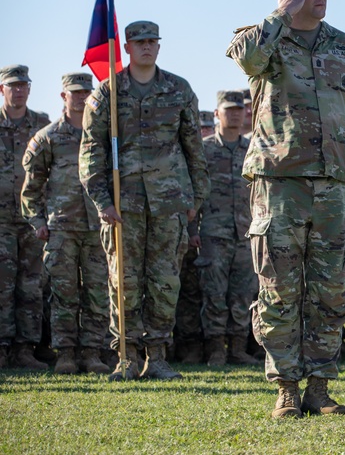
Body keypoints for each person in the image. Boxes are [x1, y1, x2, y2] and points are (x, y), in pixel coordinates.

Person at [227, 0, 345, 419]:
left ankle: (319, 387)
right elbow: (248, 59)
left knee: (330, 291)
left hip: (333, 186)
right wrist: (280, 16)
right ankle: (286, 387)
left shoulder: (344, 47)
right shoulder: (262, 37)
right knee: (279, 289)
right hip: (279, 185)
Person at [80, 21, 210, 381]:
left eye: (152, 41)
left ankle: (158, 356)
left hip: (170, 203)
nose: (147, 47)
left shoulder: (178, 89)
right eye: (140, 42)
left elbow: (193, 148)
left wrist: (196, 198)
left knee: (164, 281)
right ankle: (127, 355)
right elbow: (92, 151)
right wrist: (102, 200)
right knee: (124, 280)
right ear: (127, 47)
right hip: (123, 206)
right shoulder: (107, 93)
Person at [20, 72, 105, 374]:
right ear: (64, 96)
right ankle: (66, 353)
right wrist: (38, 221)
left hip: (98, 228)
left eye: (86, 92)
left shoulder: (104, 135)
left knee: (98, 293)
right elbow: (31, 187)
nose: (82, 97)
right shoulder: (48, 138)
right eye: (76, 92)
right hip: (62, 229)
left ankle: (93, 353)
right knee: (64, 294)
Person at [197, 90, 256, 366]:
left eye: (239, 109)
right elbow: (193, 192)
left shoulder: (252, 149)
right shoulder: (205, 149)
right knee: (214, 293)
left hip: (246, 233)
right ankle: (216, 350)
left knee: (243, 294)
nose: (235, 114)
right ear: (217, 114)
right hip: (213, 233)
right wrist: (190, 230)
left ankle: (238, 348)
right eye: (228, 109)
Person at [0, 64, 51, 370]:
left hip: (32, 220)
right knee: (2, 285)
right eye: (13, 85)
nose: (19, 90)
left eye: (24, 85)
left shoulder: (42, 126)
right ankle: (2, 347)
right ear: (2, 89)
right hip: (1, 220)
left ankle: (25, 349)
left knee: (31, 286)